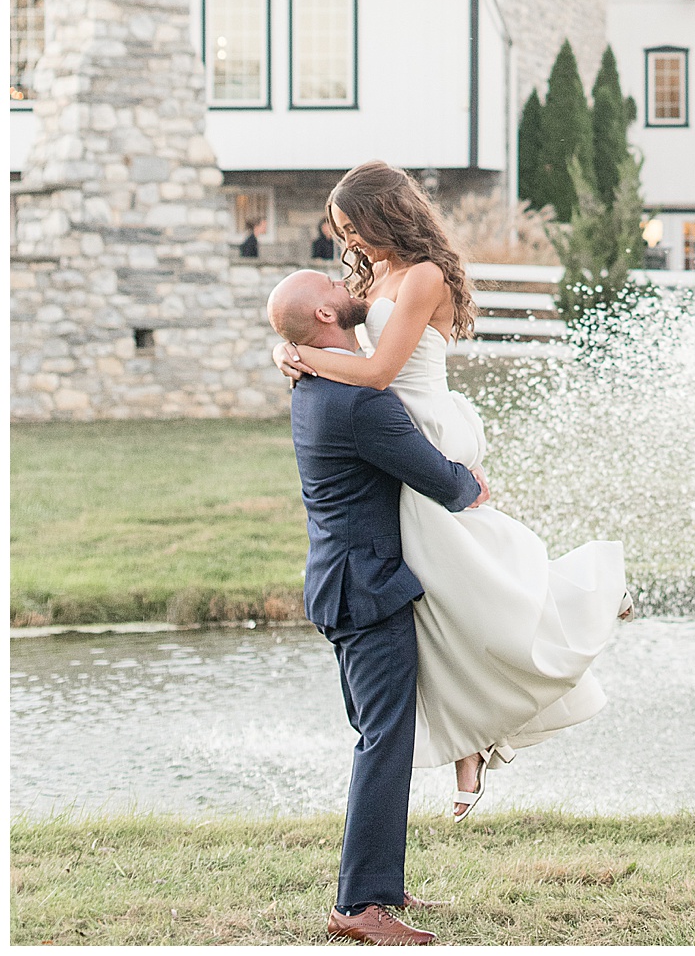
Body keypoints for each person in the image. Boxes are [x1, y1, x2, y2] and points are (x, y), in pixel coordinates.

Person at [273, 161, 630, 826]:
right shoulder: (372, 273)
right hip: (391, 434)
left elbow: (378, 371)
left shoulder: (424, 275)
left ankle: (582, 595)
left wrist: (305, 360)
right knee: (440, 604)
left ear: (388, 215)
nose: (349, 241)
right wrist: (287, 348)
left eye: (356, 227)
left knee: (472, 588)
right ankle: (474, 739)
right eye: (342, 230)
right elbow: (314, 319)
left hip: (423, 430)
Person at [266, 267, 491, 948]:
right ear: (328, 316)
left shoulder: (318, 377)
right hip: (364, 589)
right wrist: (470, 483)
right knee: (382, 743)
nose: (346, 280)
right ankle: (359, 905)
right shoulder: (358, 401)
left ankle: (379, 887)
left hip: (345, 581)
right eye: (332, 283)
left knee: (381, 737)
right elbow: (439, 480)